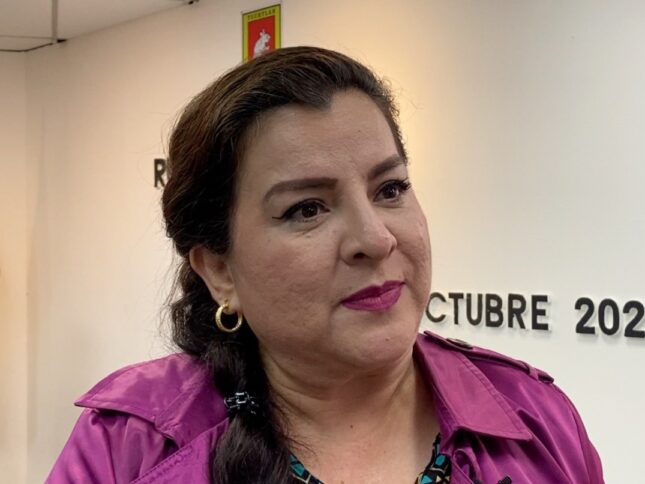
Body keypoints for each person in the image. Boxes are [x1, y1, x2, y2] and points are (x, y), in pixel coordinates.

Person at [47, 46, 604, 484]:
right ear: (219, 270)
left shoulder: (536, 419)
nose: (375, 238)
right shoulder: (130, 447)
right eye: (307, 209)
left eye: (390, 188)